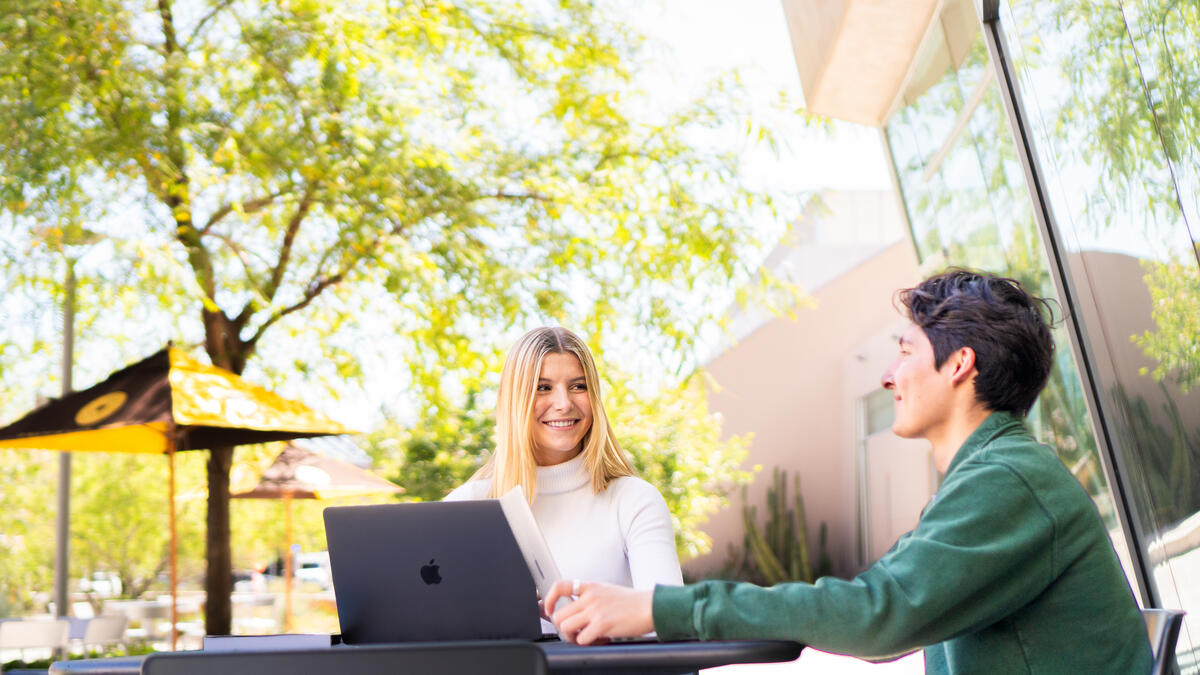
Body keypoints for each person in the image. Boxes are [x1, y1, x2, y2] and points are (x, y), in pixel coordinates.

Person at [546, 270, 1153, 674]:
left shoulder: (1009, 482)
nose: (889, 376)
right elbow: (878, 600)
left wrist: (659, 608)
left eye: (906, 352)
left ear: (960, 364)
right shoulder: (991, 477)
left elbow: (875, 614)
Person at [446, 326, 682, 594]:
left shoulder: (633, 501)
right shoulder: (467, 507)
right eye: (543, 387)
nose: (564, 403)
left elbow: (667, 620)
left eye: (578, 386)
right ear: (513, 401)